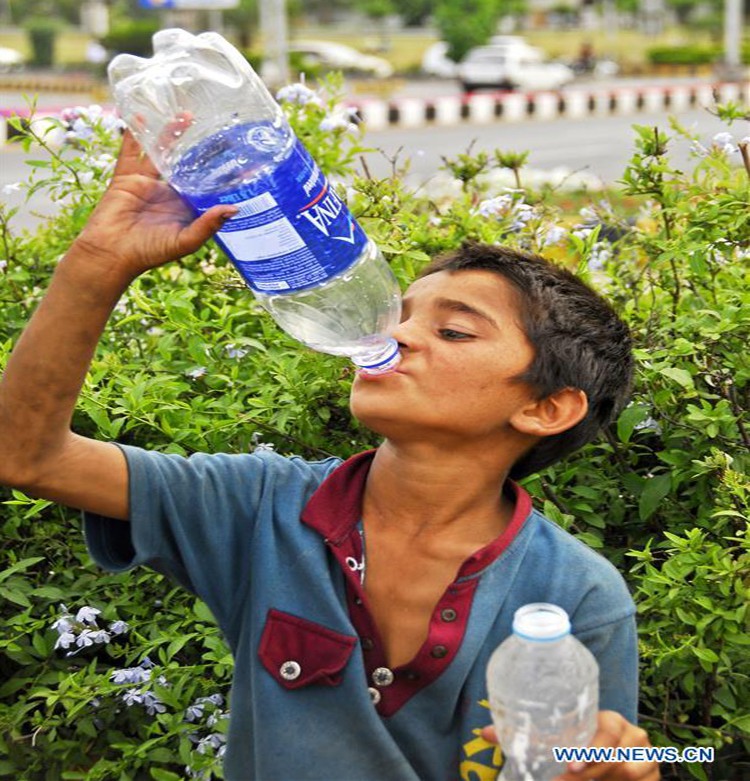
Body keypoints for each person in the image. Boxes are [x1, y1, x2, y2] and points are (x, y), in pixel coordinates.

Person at [0, 132, 660, 781]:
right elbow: (25, 455)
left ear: (546, 408)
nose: (394, 333)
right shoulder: (259, 506)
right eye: (398, 312)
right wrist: (97, 261)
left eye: (453, 329)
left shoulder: (578, 595)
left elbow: (593, 762)